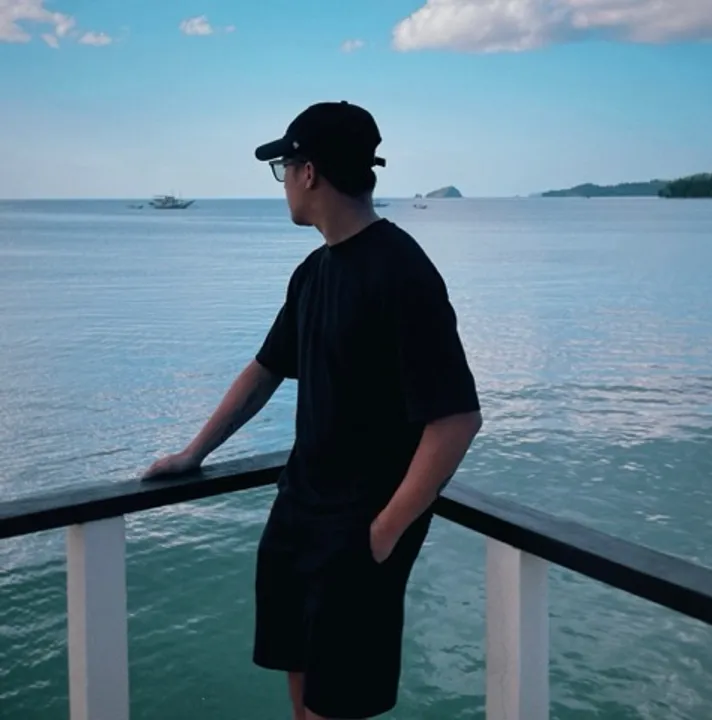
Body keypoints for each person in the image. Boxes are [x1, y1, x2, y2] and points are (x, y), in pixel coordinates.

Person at [142, 101, 482, 720]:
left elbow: (456, 419)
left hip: (358, 532)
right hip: (298, 514)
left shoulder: (402, 273)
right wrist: (194, 453)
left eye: (284, 168)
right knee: (302, 696)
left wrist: (383, 532)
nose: (283, 184)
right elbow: (265, 371)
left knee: (336, 708)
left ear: (309, 172)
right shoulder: (314, 272)